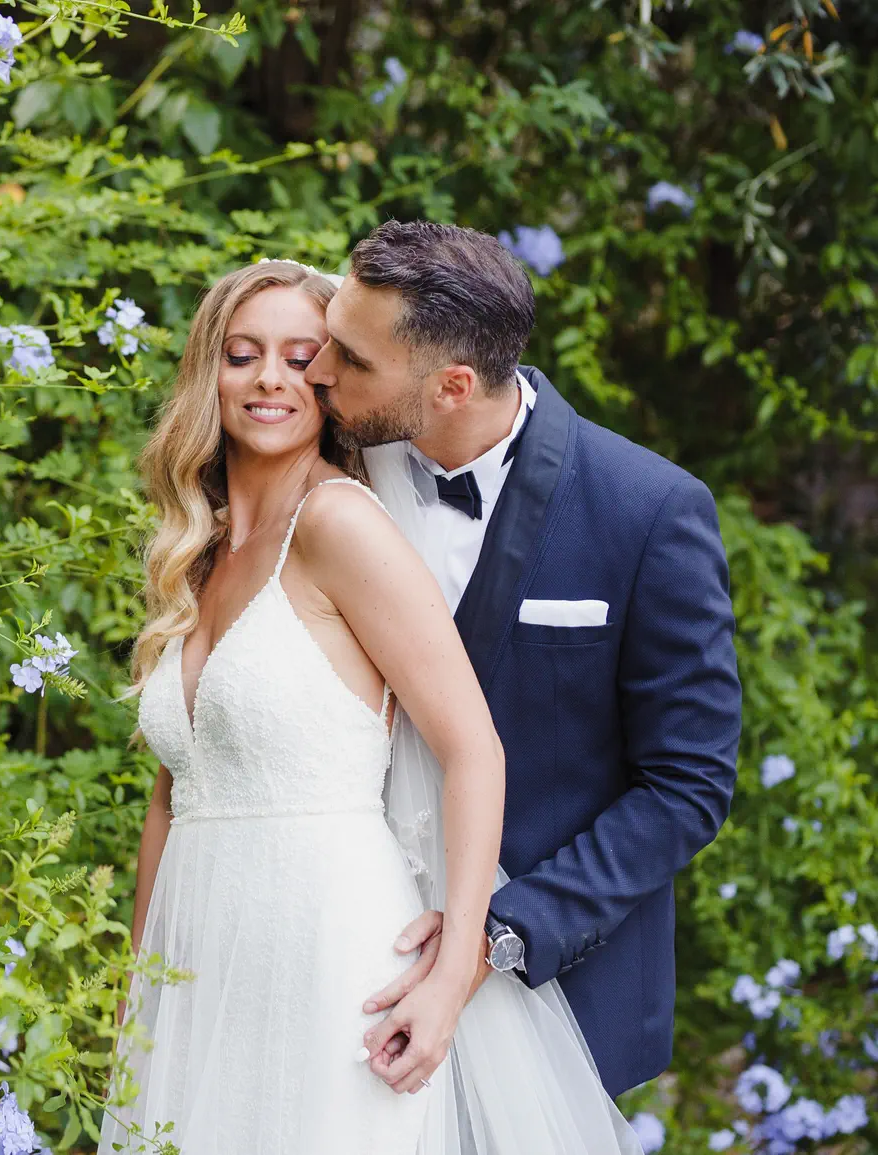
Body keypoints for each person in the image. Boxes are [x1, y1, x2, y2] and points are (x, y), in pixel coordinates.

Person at [96, 260, 641, 1154]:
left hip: (326, 943)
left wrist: (454, 969)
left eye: (300, 357)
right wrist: (136, 983)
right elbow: (172, 792)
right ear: (209, 372)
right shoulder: (199, 549)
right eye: (242, 354)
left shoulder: (339, 524)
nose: (271, 379)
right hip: (196, 953)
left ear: (329, 382)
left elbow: (474, 749)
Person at [305, 221, 742, 1103]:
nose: (318, 370)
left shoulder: (649, 511)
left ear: (453, 386)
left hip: (550, 992)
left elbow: (686, 785)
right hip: (340, 956)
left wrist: (495, 939)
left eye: (351, 358)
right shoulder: (322, 473)